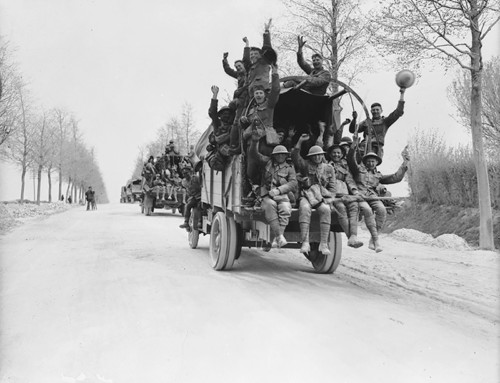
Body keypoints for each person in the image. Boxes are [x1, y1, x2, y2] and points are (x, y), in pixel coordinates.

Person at [347, 145, 410, 252]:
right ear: (365, 162)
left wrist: (405, 163)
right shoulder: (358, 170)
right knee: (367, 211)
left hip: (372, 196)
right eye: (369, 161)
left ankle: (373, 240)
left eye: (373, 161)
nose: (371, 163)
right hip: (360, 196)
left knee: (382, 210)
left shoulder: (378, 176)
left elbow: (396, 177)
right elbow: (351, 160)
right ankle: (372, 240)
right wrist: (352, 148)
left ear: (376, 163)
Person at [292, 136, 336, 256]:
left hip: (321, 198)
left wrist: (330, 198)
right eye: (315, 155)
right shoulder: (305, 165)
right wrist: (300, 141)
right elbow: (295, 157)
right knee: (305, 208)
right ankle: (305, 242)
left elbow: (332, 188)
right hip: (306, 195)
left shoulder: (328, 168)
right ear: (310, 156)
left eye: (319, 155)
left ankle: (323, 244)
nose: (317, 157)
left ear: (323, 155)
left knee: (326, 210)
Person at [241, 63, 280, 185]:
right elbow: (247, 127)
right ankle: (256, 191)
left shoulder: (269, 106)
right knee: (251, 172)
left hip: (266, 143)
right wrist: (244, 122)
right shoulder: (251, 111)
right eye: (256, 93)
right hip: (252, 144)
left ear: (264, 95)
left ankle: (269, 189)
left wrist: (274, 73)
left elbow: (276, 90)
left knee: (268, 168)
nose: (258, 95)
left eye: (260, 93)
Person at [349, 88, 406, 159]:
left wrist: (402, 94)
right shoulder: (366, 122)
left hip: (376, 148)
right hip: (363, 147)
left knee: (371, 164)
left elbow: (398, 112)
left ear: (381, 110)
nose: (375, 111)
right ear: (370, 111)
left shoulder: (385, 121)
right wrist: (354, 119)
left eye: (377, 110)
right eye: (373, 110)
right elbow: (353, 130)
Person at [260, 145, 298, 248]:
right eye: (278, 154)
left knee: (285, 208)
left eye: (283, 154)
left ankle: (278, 237)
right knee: (270, 205)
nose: (280, 156)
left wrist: (279, 190)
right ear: (274, 156)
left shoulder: (289, 168)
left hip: (283, 195)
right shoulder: (268, 165)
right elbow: (255, 157)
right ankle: (280, 236)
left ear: (286, 156)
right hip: (267, 195)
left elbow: (293, 183)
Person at [325, 144, 363, 248]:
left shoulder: (344, 166)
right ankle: (350, 237)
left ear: (342, 154)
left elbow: (349, 180)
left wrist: (355, 191)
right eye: (334, 153)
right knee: (341, 209)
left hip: (345, 194)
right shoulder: (326, 166)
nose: (336, 155)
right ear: (330, 154)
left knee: (354, 206)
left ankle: (354, 236)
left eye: (338, 153)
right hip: (335, 196)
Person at [206, 85, 234, 171]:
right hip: (219, 151)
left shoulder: (233, 125)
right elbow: (213, 111)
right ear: (220, 115)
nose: (226, 115)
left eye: (228, 113)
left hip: (232, 149)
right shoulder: (217, 124)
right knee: (216, 163)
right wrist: (215, 95)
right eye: (224, 113)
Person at [245, 19, 275, 98]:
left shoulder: (263, 61)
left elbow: (267, 47)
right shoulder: (251, 67)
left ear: (260, 55)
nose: (253, 55)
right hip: (252, 94)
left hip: (263, 91)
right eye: (251, 54)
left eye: (255, 54)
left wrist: (266, 32)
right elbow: (245, 60)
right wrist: (247, 44)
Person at [179, 166, 201, 230]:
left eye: (186, 173)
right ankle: (186, 222)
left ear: (190, 172)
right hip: (193, 197)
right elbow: (186, 190)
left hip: (200, 196)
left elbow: (202, 185)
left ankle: (200, 221)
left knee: (200, 205)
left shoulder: (196, 178)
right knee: (187, 206)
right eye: (183, 174)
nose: (185, 175)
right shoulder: (184, 181)